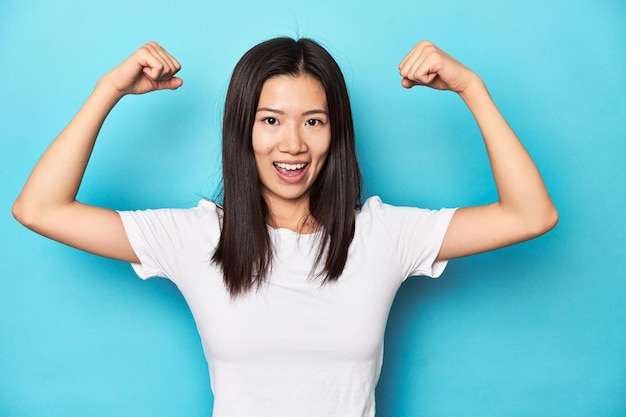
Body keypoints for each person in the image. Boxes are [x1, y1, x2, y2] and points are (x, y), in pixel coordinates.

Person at [13, 37, 558, 416]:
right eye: (270, 120)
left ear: (335, 133)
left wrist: (474, 90)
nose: (292, 144)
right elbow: (38, 208)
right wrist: (108, 90)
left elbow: (531, 215)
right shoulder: (197, 238)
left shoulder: (383, 235)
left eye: (313, 122)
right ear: (241, 131)